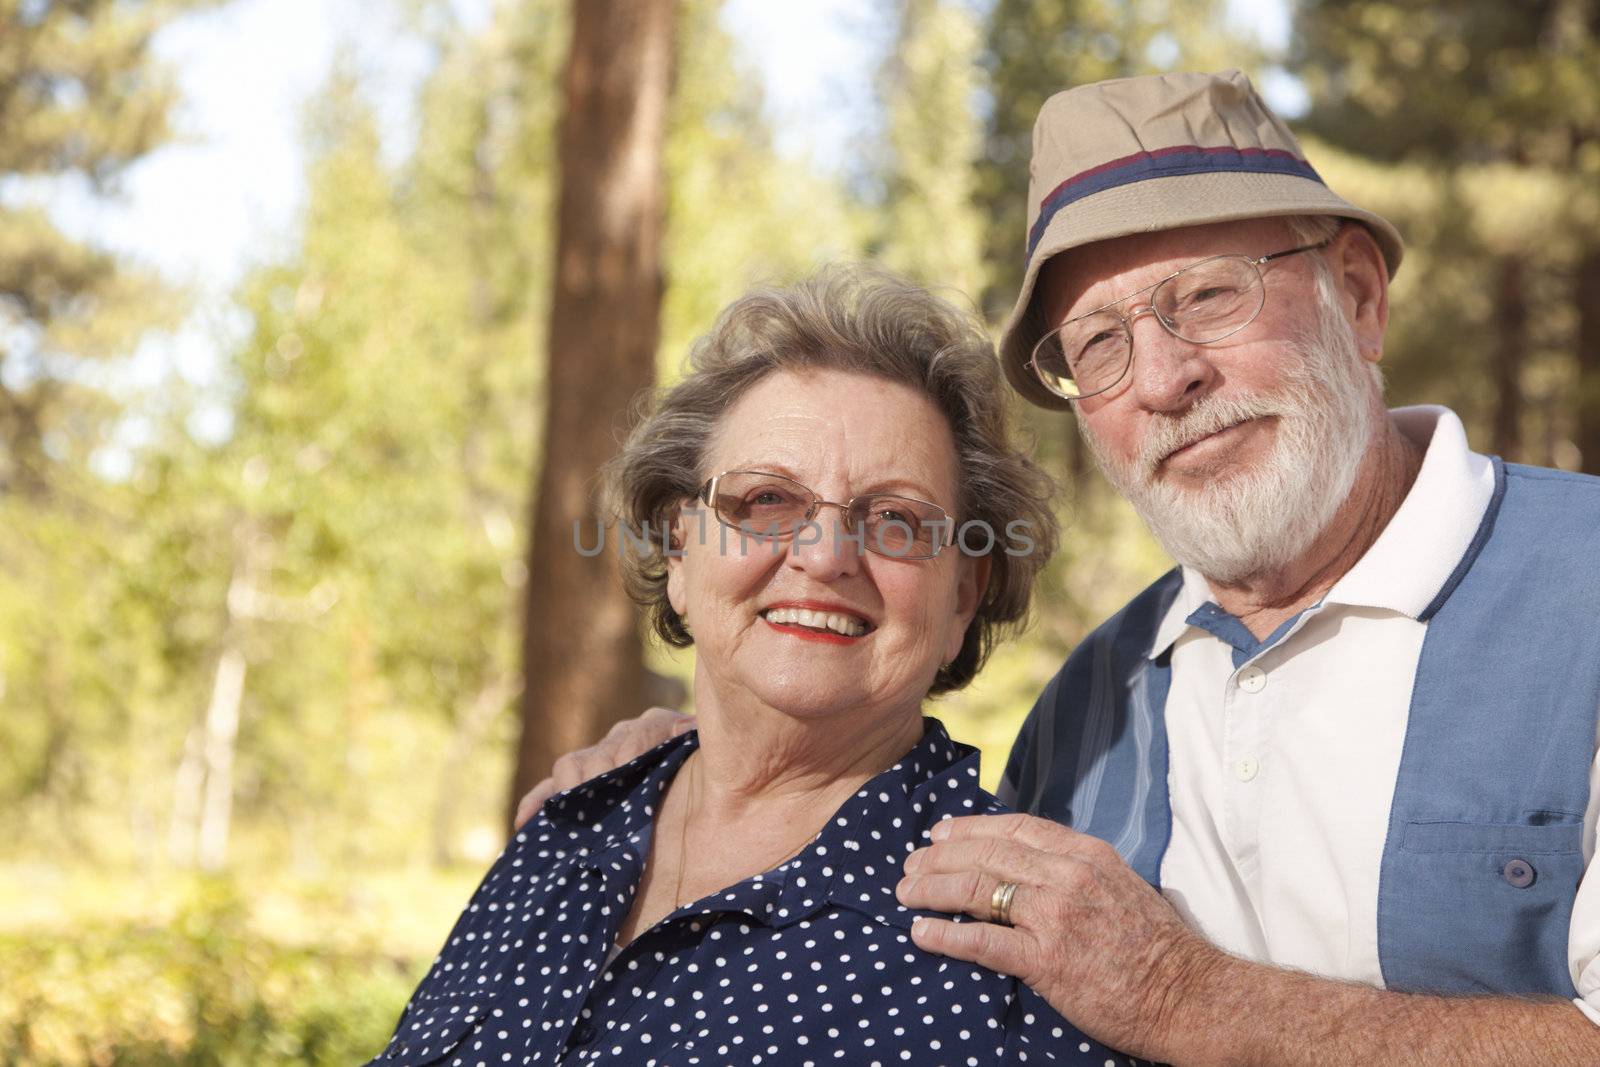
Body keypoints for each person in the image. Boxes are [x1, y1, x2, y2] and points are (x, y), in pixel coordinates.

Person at [520, 71, 1600, 1065]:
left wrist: (1193, 998)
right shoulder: (1090, 707)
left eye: (1209, 296)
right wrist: (694, 760)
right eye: (1098, 344)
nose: (1165, 377)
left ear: (1358, 296)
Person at [367, 269, 1148, 1066]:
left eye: (896, 519)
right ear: (679, 548)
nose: (824, 556)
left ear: (960, 598)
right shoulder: (565, 830)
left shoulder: (1013, 958)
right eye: (768, 500)